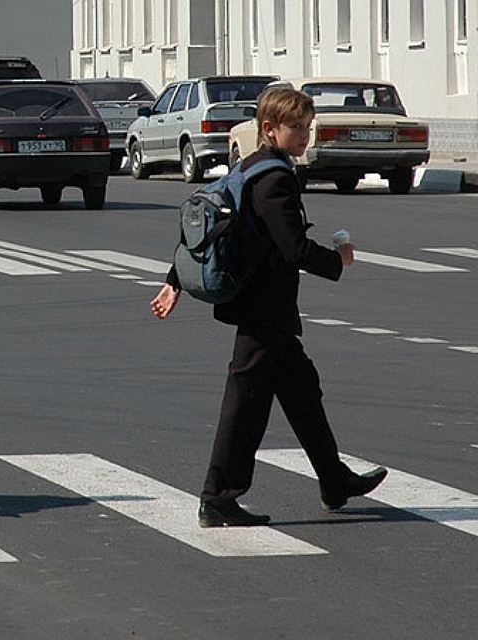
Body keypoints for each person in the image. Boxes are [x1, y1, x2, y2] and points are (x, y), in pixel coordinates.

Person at [150, 87, 388, 528]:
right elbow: (293, 249)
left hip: (263, 308)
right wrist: (339, 259)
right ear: (269, 129)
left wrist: (173, 280)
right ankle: (217, 497)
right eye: (296, 128)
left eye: (307, 127)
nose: (303, 135)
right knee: (244, 406)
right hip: (263, 311)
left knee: (301, 391)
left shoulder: (251, 166)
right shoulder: (274, 179)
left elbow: (214, 221)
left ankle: (334, 480)